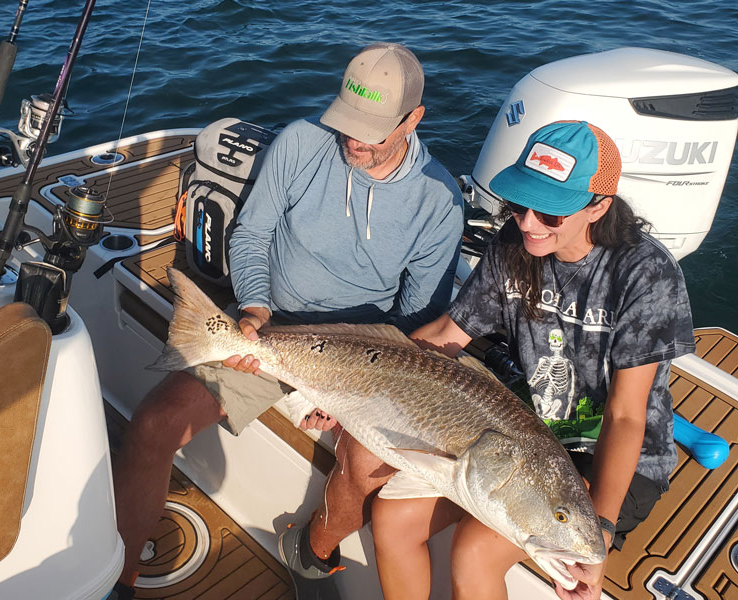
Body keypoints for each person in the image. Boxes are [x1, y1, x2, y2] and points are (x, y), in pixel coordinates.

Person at [109, 42, 463, 600]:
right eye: (347, 122)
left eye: (370, 131)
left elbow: (417, 317)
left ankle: (309, 554)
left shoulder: (439, 202)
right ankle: (119, 583)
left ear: (413, 120)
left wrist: (351, 389)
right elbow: (251, 234)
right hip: (272, 325)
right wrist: (253, 307)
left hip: (364, 355)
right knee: (154, 425)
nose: (351, 140)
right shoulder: (301, 141)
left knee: (368, 474)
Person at [370, 120, 695, 600]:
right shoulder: (514, 245)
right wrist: (360, 377)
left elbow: (626, 416)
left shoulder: (645, 274)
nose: (527, 223)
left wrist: (597, 533)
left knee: (475, 551)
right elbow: (445, 335)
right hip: (525, 435)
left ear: (598, 206)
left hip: (613, 454)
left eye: (551, 214)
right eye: (521, 204)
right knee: (392, 518)